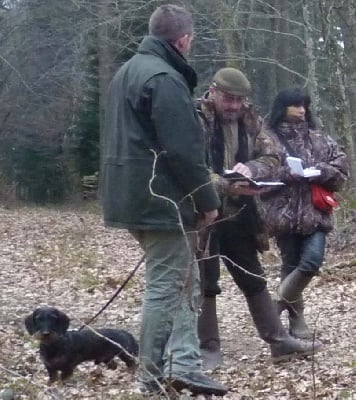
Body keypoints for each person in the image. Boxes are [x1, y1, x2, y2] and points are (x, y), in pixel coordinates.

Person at [101, 4, 227, 397]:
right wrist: (207, 199)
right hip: (160, 199)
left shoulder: (126, 72)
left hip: (131, 194)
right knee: (166, 285)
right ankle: (151, 378)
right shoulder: (164, 78)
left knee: (183, 282)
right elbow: (184, 150)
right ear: (183, 39)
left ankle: (184, 366)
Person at [196, 68, 320, 370]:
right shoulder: (194, 117)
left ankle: (279, 341)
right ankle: (208, 348)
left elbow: (272, 156)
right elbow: (188, 164)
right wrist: (223, 183)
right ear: (213, 92)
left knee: (252, 276)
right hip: (203, 211)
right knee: (205, 281)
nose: (234, 105)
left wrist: (251, 168)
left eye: (239, 100)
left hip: (240, 212)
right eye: (228, 98)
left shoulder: (250, 119)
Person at [261, 87, 349, 340]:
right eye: (296, 105)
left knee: (311, 261)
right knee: (290, 265)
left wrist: (321, 170)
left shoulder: (320, 139)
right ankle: (296, 322)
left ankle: (276, 304)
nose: (302, 110)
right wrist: (285, 174)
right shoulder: (267, 140)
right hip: (282, 214)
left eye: (304, 105)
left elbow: (342, 170)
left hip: (316, 212)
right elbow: (259, 174)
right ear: (282, 107)